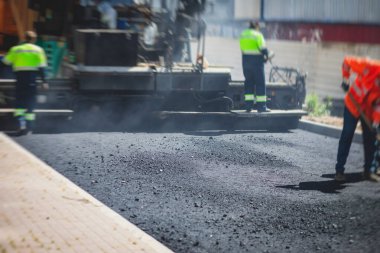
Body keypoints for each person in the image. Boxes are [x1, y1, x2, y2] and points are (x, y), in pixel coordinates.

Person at [335, 57, 380, 182]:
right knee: (347, 134)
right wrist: (345, 79)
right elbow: (346, 61)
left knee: (370, 138)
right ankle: (339, 170)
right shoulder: (369, 66)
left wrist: (376, 123)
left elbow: (378, 107)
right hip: (352, 105)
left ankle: (368, 172)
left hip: (367, 112)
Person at [1, 31, 48, 135]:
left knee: (19, 103)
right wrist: (44, 81)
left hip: (20, 80)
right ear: (34, 39)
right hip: (31, 81)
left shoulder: (16, 49)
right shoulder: (38, 50)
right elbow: (42, 67)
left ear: (24, 38)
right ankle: (29, 128)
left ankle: (21, 125)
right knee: (30, 103)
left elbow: (5, 63)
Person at [239, 21, 270, 112]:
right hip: (257, 63)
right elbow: (263, 48)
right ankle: (261, 107)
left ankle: (248, 106)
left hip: (245, 62)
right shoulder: (257, 35)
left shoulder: (243, 34)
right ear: (256, 26)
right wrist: (267, 55)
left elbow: (242, 48)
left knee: (249, 83)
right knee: (260, 84)